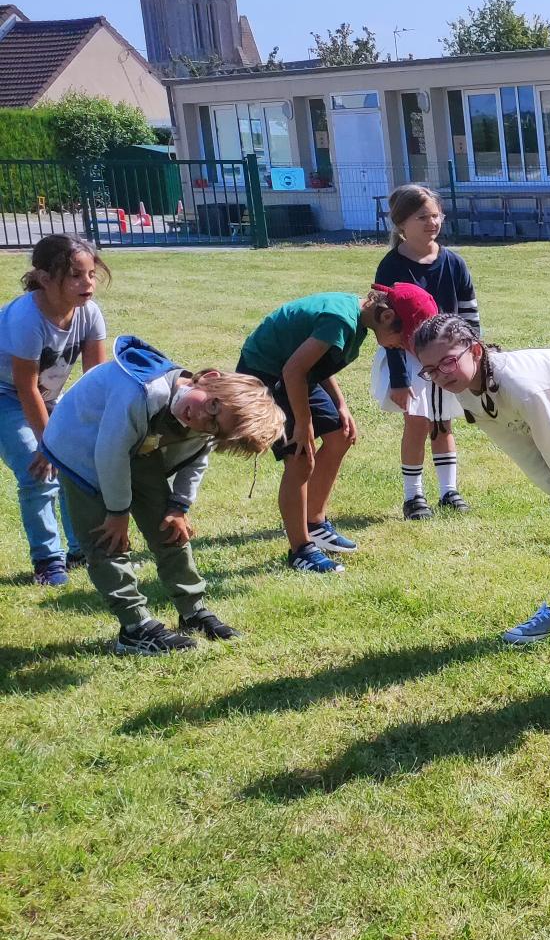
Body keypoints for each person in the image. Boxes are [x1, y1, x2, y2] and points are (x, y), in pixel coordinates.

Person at [39, 336, 280, 652]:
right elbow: (109, 455)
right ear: (208, 379)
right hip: (82, 448)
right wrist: (117, 513)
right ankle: (134, 627)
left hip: (135, 447)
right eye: (210, 409)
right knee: (107, 540)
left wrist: (179, 505)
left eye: (214, 428)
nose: (202, 422)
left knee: (170, 529)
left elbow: (197, 457)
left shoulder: (206, 418)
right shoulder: (139, 393)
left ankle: (192, 610)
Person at [412, 315, 550, 647]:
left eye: (448, 362)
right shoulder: (467, 389)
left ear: (476, 351)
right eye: (430, 369)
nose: (441, 374)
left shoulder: (521, 388)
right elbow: (523, 448)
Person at [238, 284, 436, 573]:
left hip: (295, 374)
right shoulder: (340, 320)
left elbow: (316, 365)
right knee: (300, 456)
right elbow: (293, 370)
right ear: (386, 315)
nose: (400, 347)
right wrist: (303, 424)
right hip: (266, 374)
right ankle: (300, 549)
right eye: (401, 339)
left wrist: (340, 404)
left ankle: (314, 522)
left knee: (341, 435)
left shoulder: (357, 325)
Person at [2, 234, 110, 585]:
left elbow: (95, 382)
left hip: (47, 396)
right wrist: (49, 445)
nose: (88, 283)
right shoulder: (26, 318)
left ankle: (81, 549)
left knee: (76, 465)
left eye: (91, 274)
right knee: (39, 468)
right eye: (76, 276)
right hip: (7, 396)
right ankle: (48, 562)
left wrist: (90, 433)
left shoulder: (89, 313)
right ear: (45, 279)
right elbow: (24, 386)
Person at [372, 185, 478, 521]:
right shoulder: (390, 267)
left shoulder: (454, 263)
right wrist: (400, 379)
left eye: (435, 215)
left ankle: (449, 491)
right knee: (417, 422)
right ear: (402, 223)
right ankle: (413, 497)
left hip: (448, 358)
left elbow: (469, 315)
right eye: (423, 217)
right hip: (408, 359)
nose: (432, 222)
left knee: (443, 423)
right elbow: (385, 328)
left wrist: (472, 358)